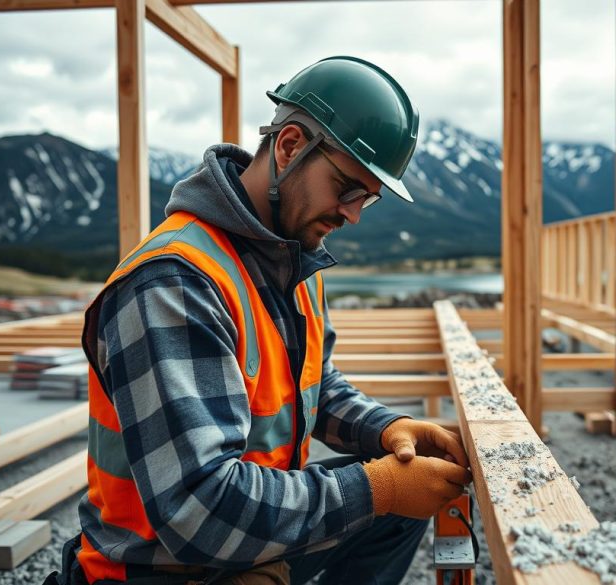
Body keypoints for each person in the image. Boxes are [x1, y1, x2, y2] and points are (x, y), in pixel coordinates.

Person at [46, 56, 472, 585]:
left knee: (401, 506)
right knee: (384, 497)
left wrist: (386, 430)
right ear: (290, 146)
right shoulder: (174, 284)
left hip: (247, 534)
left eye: (368, 198)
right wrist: (376, 488)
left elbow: (313, 384)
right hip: (164, 567)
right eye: (347, 189)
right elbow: (200, 509)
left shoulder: (295, 258)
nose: (353, 214)